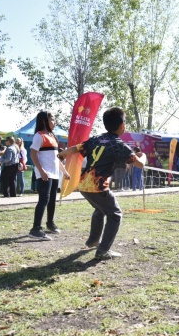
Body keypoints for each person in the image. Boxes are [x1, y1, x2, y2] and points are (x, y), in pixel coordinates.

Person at [60, 107, 144, 260]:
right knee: (115, 214)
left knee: (100, 209)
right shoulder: (119, 144)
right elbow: (139, 164)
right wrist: (142, 156)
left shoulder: (95, 139)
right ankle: (103, 250)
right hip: (98, 186)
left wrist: (63, 153)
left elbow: (77, 148)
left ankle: (93, 241)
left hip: (84, 185)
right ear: (122, 126)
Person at [28, 111, 70, 241]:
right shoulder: (39, 136)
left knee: (52, 200)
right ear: (44, 121)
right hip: (45, 174)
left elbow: (56, 158)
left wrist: (65, 172)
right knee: (44, 200)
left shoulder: (52, 136)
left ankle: (50, 223)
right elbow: (33, 155)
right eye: (52, 119)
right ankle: (35, 229)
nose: (54, 122)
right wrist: (41, 171)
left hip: (54, 174)